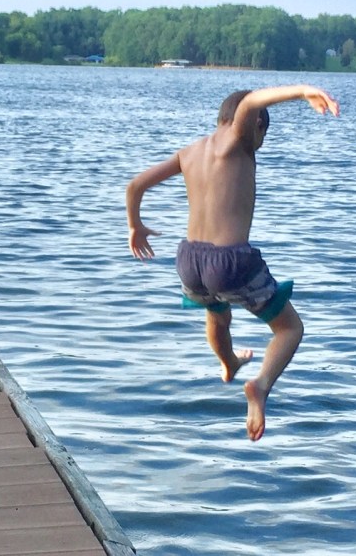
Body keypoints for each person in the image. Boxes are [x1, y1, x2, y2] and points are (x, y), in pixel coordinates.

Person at [126, 85, 339, 441]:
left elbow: (135, 186)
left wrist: (135, 227)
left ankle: (229, 362)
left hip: (189, 261)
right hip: (230, 260)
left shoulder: (189, 152)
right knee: (290, 329)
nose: (260, 144)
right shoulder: (240, 138)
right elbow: (253, 101)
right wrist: (304, 92)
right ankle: (260, 386)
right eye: (263, 136)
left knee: (217, 313)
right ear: (255, 125)